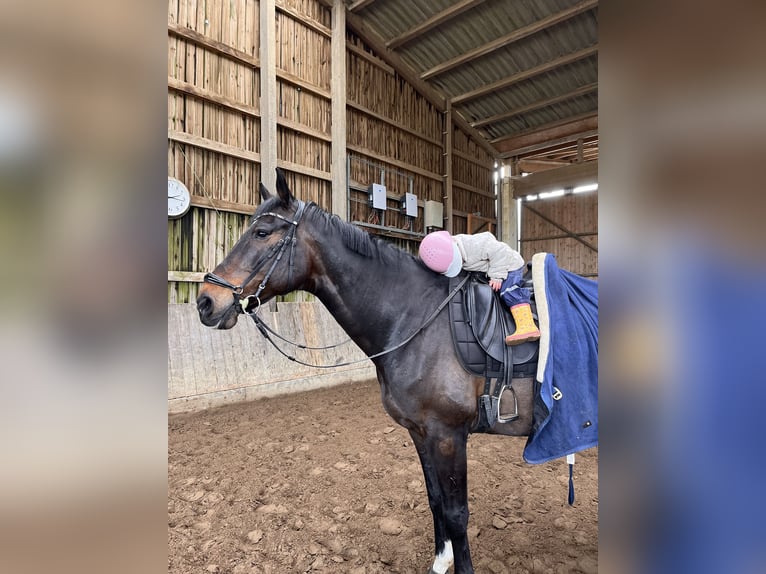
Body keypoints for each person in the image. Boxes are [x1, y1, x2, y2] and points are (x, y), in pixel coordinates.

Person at [419, 230, 541, 345]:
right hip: (487, 267)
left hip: (509, 265)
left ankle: (527, 325)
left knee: (508, 292)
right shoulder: (450, 249)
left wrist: (497, 276)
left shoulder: (476, 245)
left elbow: (500, 251)